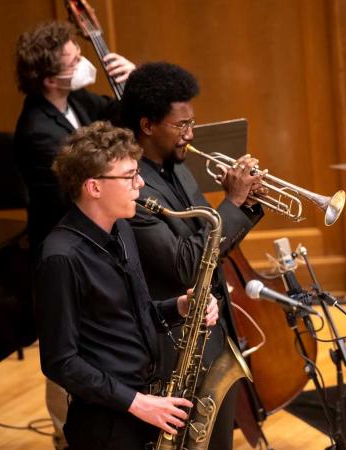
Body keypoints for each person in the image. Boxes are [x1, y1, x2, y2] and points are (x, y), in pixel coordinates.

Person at [34, 121, 219, 450]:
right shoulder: (60, 258)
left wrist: (181, 306)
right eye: (129, 175)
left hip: (146, 407)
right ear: (94, 187)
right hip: (106, 425)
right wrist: (136, 403)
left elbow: (136, 313)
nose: (141, 183)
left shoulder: (122, 230)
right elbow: (60, 361)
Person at [120, 62, 266, 449]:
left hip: (213, 332)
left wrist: (246, 205)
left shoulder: (179, 170)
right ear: (148, 125)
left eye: (192, 123)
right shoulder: (133, 188)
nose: (190, 135)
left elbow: (213, 245)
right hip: (177, 346)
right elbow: (186, 264)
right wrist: (231, 202)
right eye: (180, 126)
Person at [13, 21, 135, 449]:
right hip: (65, 253)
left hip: (90, 244)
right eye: (74, 60)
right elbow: (85, 182)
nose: (85, 63)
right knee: (68, 348)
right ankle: (67, 436)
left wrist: (131, 83)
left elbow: (122, 125)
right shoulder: (36, 131)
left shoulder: (78, 100)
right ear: (49, 78)